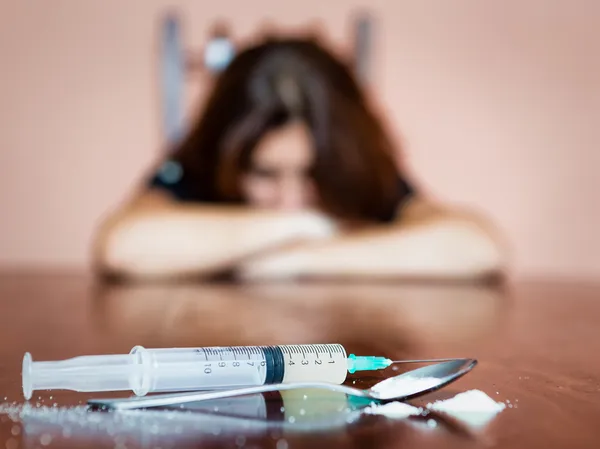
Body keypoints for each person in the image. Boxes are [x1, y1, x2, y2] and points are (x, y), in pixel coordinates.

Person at [93, 36, 506, 282]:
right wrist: (306, 226)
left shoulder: (359, 174)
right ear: (228, 156)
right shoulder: (198, 168)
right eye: (264, 173)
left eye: (312, 174)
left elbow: (478, 247)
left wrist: (287, 257)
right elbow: (122, 246)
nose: (290, 199)